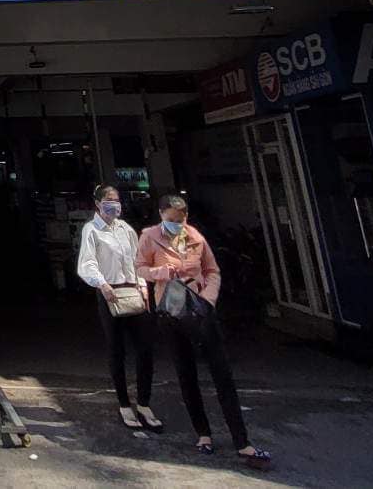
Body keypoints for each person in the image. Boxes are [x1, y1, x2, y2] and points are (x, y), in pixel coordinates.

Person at [137, 194, 270, 467]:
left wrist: (208, 300)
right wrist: (161, 272)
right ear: (161, 214)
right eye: (171, 219)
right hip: (171, 312)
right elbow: (140, 268)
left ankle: (242, 441)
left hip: (200, 311)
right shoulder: (149, 237)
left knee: (222, 374)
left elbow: (212, 271)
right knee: (186, 374)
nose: (177, 224)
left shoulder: (195, 237)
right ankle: (203, 434)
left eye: (181, 219)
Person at [78, 184, 162, 431]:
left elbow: (137, 260)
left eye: (116, 200)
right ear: (97, 203)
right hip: (110, 294)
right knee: (117, 351)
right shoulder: (91, 230)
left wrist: (143, 286)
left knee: (145, 349)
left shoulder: (125, 229)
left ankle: (144, 403)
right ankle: (124, 404)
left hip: (133, 292)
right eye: (109, 200)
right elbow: (87, 263)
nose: (114, 204)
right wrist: (102, 284)